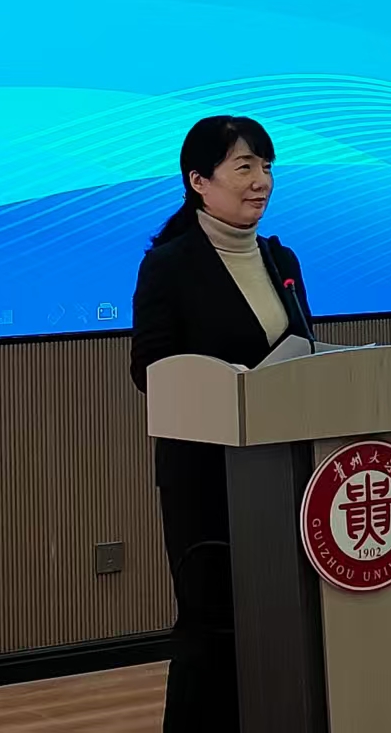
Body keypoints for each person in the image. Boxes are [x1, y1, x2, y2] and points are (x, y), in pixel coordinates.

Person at [129, 115, 314, 731]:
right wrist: (226, 381)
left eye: (267, 167)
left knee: (280, 619)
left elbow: (304, 353)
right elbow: (149, 369)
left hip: (282, 468)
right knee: (213, 628)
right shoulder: (170, 265)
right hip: (205, 477)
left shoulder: (282, 260)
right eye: (244, 167)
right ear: (199, 181)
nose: (261, 181)